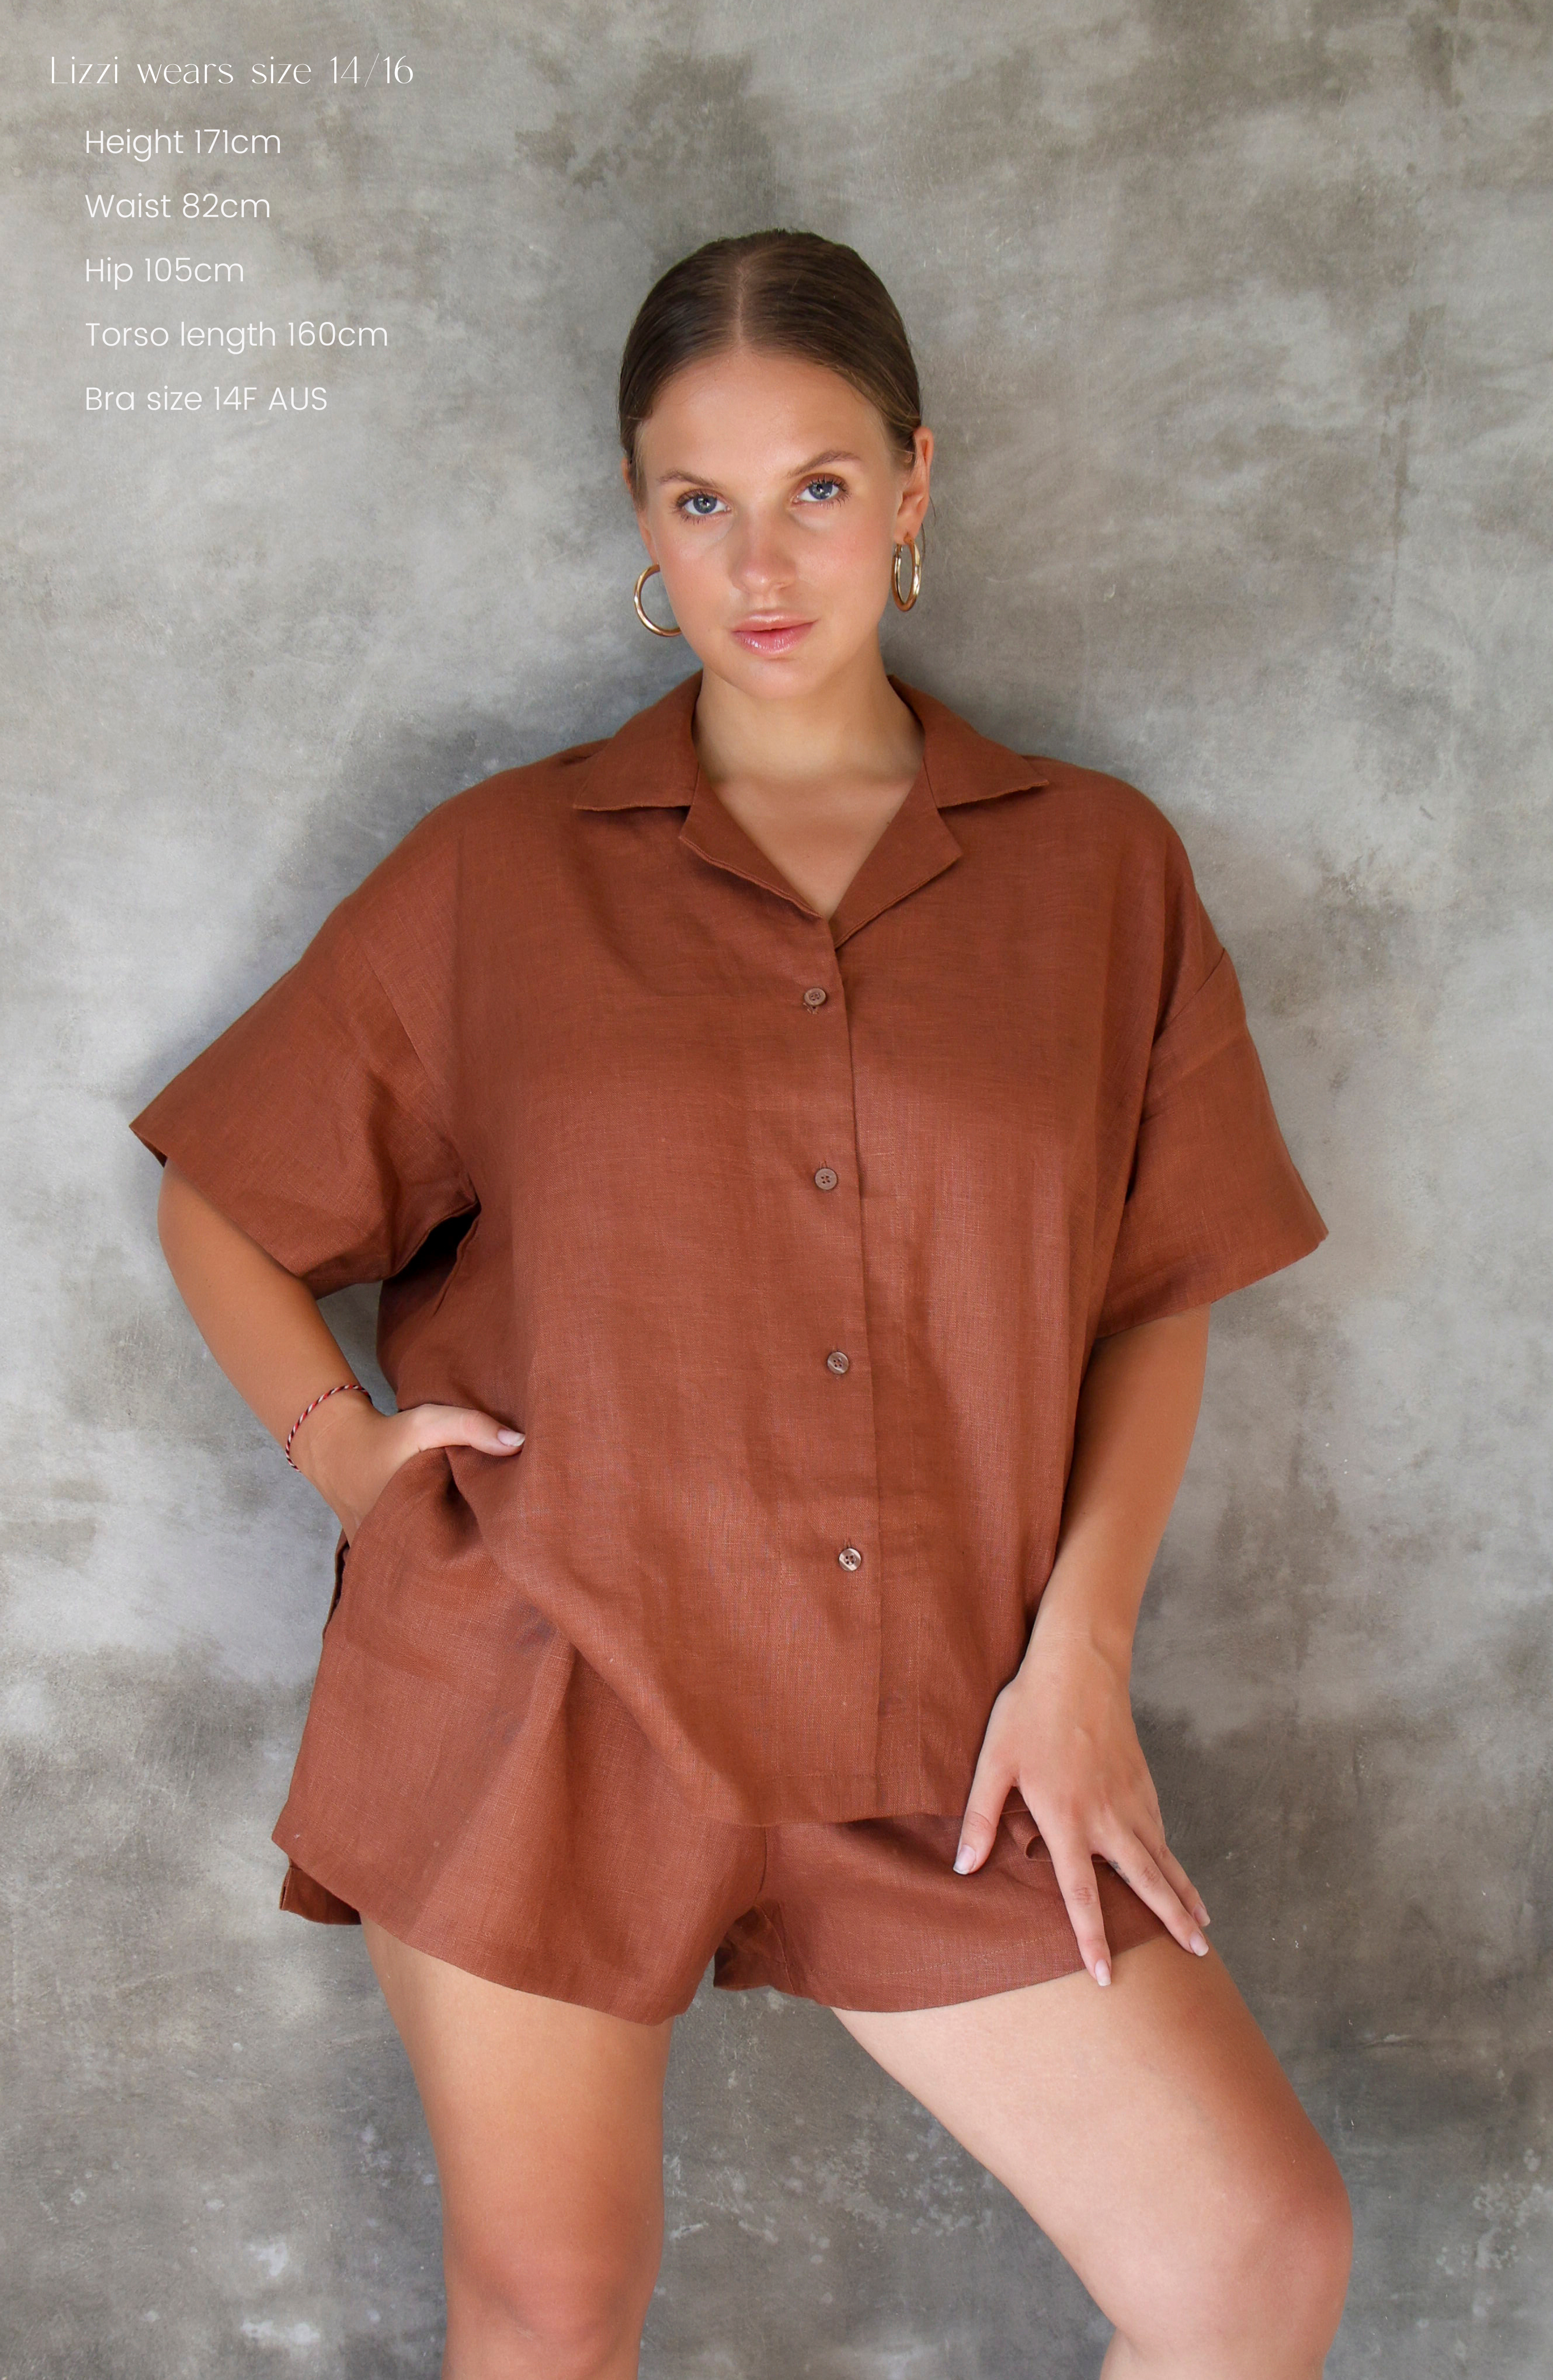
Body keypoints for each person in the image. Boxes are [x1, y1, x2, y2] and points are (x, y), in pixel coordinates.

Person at [134, 231, 1352, 2378]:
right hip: (550, 1685)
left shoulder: (1096, 873)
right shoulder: (501, 874)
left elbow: (1160, 1293)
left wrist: (1081, 1658)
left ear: (915, 487)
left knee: (1249, 2261)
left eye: (815, 484)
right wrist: (344, 1453)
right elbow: (230, 1199)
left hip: (950, 1715)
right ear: (640, 523)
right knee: (552, 2309)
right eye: (698, 500)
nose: (761, 559)